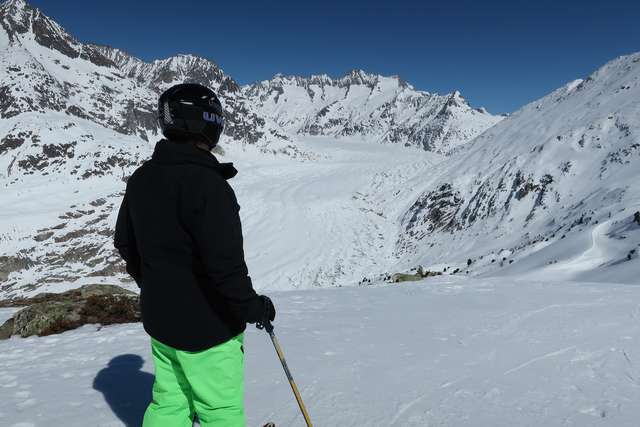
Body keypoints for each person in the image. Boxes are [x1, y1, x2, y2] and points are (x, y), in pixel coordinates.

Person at [114, 83, 275, 427]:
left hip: (161, 320)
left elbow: (126, 243)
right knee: (219, 410)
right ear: (206, 123)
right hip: (210, 329)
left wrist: (158, 285)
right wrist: (253, 308)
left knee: (169, 403)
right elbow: (225, 267)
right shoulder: (209, 186)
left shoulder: (141, 179)